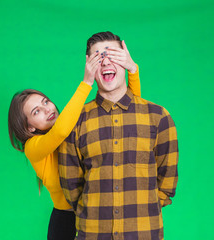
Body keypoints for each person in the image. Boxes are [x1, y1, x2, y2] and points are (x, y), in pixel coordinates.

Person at [7, 40, 141, 240]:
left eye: (46, 101)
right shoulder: (33, 148)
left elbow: (129, 115)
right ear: (29, 127)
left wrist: (133, 70)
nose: (48, 109)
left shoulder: (74, 124)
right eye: (37, 112)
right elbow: (59, 133)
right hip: (66, 221)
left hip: (98, 215)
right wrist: (87, 82)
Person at [58, 31, 178, 240]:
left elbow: (167, 181)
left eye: (113, 55)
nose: (106, 62)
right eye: (98, 57)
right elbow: (71, 185)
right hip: (92, 232)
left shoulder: (158, 117)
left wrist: (145, 207)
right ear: (89, 66)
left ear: (126, 61)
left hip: (144, 232)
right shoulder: (75, 121)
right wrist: (92, 210)